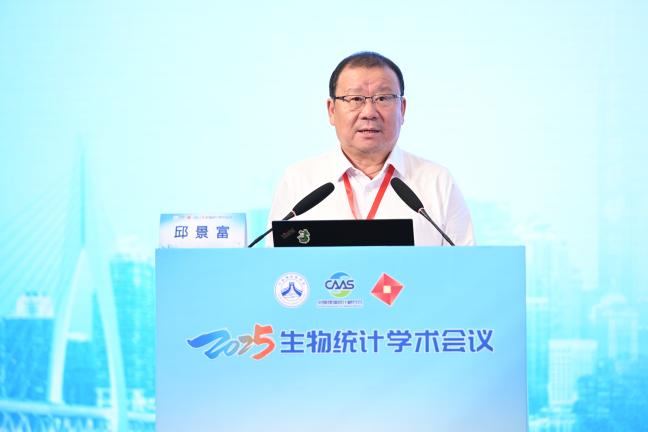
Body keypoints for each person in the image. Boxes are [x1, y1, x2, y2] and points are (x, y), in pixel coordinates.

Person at [267, 51, 475, 246]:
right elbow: (276, 264)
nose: (369, 112)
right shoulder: (298, 181)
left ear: (402, 109)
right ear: (331, 110)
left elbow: (465, 265)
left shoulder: (438, 182)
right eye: (355, 99)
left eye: (383, 98)